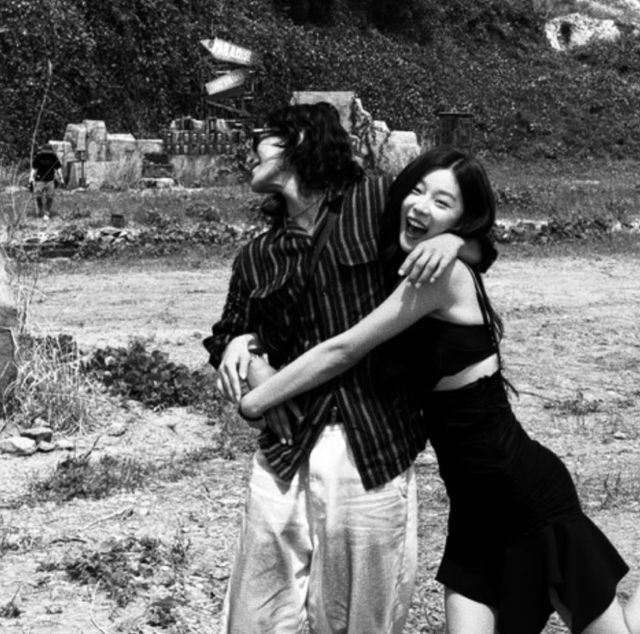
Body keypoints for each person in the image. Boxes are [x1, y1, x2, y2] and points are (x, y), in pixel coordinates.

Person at [239, 146, 640, 634]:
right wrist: (245, 341)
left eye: (442, 203)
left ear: (462, 219)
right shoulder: (412, 261)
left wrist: (255, 401)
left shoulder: (440, 276)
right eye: (417, 190)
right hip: (472, 510)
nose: (421, 206)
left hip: (524, 494)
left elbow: (342, 350)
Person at [204, 103, 489, 633]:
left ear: (298, 142)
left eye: (263, 138)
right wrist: (239, 347)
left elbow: (468, 239)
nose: (250, 150)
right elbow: (225, 332)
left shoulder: (372, 203)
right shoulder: (256, 255)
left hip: (368, 442)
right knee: (253, 616)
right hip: (284, 449)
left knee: (359, 620)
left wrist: (454, 241)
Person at [29, 143, 64, 220]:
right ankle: (40, 210)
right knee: (38, 196)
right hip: (39, 180)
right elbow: (34, 168)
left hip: (50, 180)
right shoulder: (38, 157)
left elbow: (58, 168)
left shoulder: (53, 157)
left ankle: (47, 213)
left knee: (50, 197)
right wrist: (31, 178)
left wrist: (61, 178)